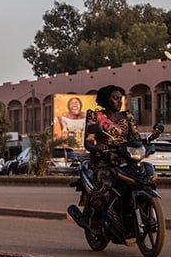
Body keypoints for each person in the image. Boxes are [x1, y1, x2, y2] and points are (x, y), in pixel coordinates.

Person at [68, 85, 162, 237]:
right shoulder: (95, 115)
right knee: (105, 187)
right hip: (104, 159)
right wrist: (98, 147)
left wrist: (149, 141)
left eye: (121, 98)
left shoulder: (127, 116)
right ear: (106, 100)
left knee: (147, 176)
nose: (119, 101)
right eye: (115, 98)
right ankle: (93, 220)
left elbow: (135, 139)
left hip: (126, 158)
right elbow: (89, 140)